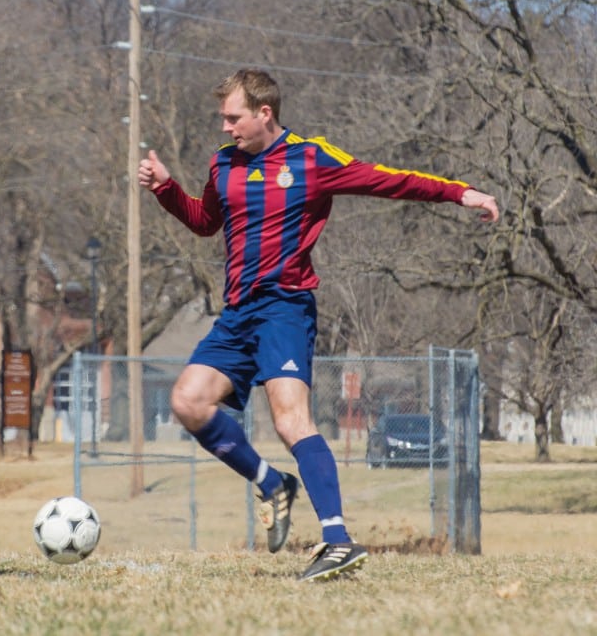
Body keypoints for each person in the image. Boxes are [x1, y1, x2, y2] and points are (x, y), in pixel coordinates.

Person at [137, 69, 499, 581]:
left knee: (290, 421)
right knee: (187, 402)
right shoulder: (223, 165)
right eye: (223, 118)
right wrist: (166, 188)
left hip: (285, 307)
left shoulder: (312, 159)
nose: (225, 128)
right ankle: (271, 483)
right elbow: (203, 222)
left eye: (233, 117)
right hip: (237, 314)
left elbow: (391, 180)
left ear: (265, 113)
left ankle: (337, 539)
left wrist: (463, 193)